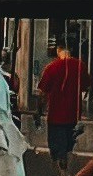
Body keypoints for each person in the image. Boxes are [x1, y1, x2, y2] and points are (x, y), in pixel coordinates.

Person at [36, 38, 85, 166]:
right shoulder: (80, 66)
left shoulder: (52, 68)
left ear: (59, 51)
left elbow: (42, 93)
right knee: (69, 146)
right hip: (73, 114)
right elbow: (86, 88)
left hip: (56, 116)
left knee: (58, 149)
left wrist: (39, 110)